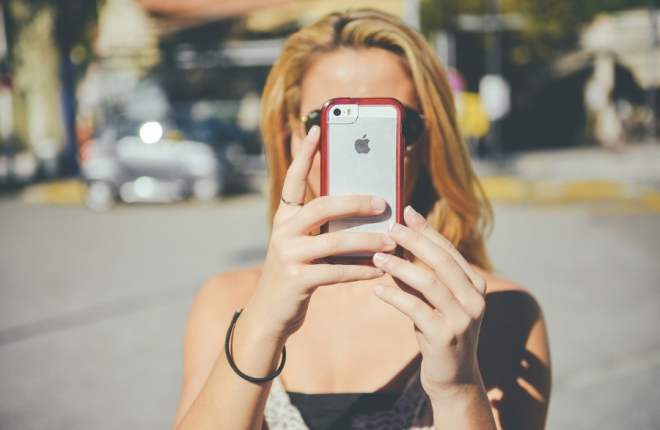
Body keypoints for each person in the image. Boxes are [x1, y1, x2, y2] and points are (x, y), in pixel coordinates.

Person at [172, 9, 551, 430]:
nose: (362, 151)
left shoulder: (493, 311)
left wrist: (459, 388)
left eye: (394, 124)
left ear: (428, 142)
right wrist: (259, 327)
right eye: (330, 123)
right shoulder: (227, 301)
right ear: (293, 137)